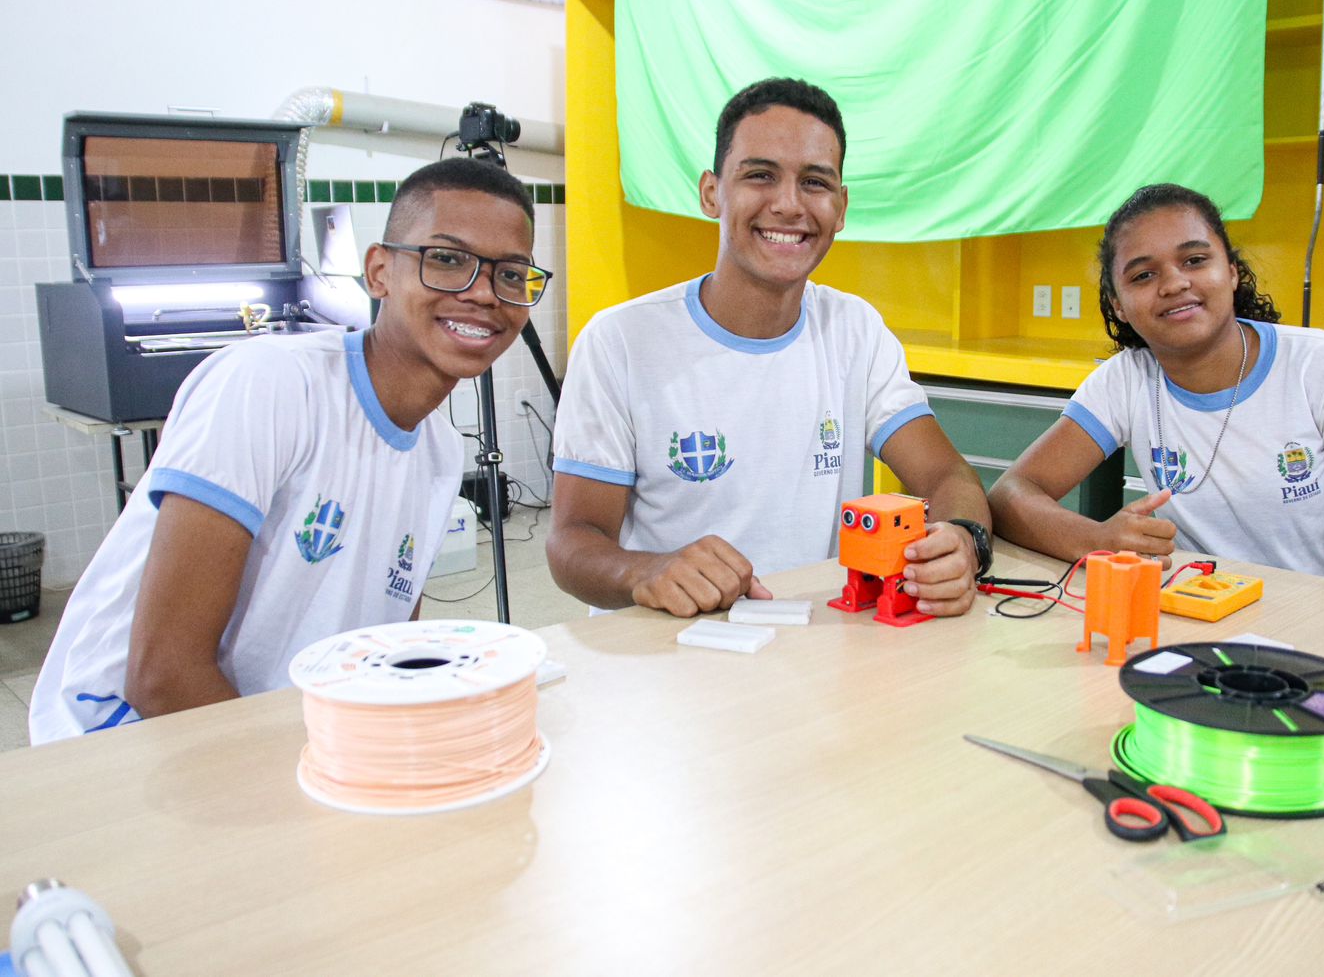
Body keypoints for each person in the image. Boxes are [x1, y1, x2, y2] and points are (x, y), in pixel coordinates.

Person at [30, 158, 545, 743]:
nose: (482, 294)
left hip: (276, 735)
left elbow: (383, 653)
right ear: (380, 271)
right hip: (122, 740)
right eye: (447, 260)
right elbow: (164, 677)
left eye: (510, 274)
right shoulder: (269, 384)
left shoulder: (440, 452)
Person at [548, 77, 992, 617]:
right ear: (712, 192)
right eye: (760, 175)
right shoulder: (619, 341)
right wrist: (647, 570)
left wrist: (965, 542)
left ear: (841, 206)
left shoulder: (856, 330)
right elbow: (572, 542)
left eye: (814, 182)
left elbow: (948, 477)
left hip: (811, 649)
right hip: (668, 661)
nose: (788, 205)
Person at [989, 183, 1324, 588]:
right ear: (1119, 304)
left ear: (1231, 272)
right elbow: (1011, 494)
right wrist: (1096, 540)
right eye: (1143, 275)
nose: (1173, 284)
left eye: (1194, 260)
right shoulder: (1127, 379)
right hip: (1205, 620)